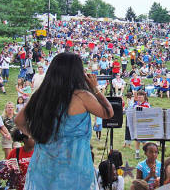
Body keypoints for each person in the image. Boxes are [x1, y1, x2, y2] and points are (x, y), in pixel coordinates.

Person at [14, 52, 114, 189]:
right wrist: (94, 88)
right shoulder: (82, 96)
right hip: (75, 170)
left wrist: (34, 134)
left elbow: (19, 120)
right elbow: (108, 112)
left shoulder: (41, 95)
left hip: (43, 169)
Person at [134, 91, 150, 159]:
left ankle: (147, 153)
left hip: (144, 124)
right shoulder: (135, 104)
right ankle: (137, 153)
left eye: (141, 96)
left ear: (144, 97)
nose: (139, 97)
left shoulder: (147, 104)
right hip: (137, 123)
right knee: (137, 139)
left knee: (144, 140)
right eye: (138, 96)